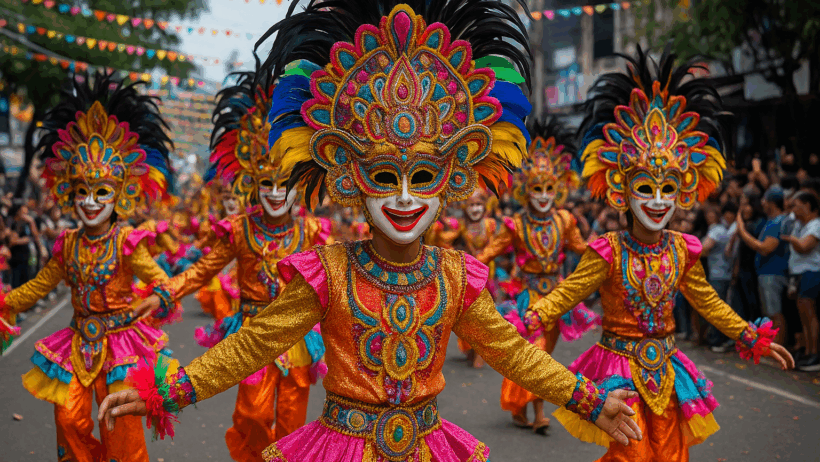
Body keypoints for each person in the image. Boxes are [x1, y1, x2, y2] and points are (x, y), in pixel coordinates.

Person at [97, 3, 644, 461]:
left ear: (451, 177)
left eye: (422, 176)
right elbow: (252, 344)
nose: (404, 197)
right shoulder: (329, 270)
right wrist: (162, 392)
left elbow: (512, 353)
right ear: (350, 175)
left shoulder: (454, 276)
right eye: (386, 176)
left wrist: (590, 399)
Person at [532, 47, 794, 462]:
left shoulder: (681, 249)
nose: (657, 201)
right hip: (619, 374)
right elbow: (566, 295)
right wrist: (521, 322)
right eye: (645, 188)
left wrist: (749, 334)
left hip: (667, 372)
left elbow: (706, 301)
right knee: (630, 457)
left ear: (683, 190)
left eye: (667, 188)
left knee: (672, 456)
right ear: (622, 189)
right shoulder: (608, 250)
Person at [143, 68, 331, 461]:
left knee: (292, 421)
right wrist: (165, 293)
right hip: (250, 333)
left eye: (284, 184)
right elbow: (202, 269)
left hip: (297, 336)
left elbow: (341, 275)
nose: (276, 193)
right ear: (253, 185)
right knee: (252, 414)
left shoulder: (313, 230)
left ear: (298, 185)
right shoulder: (240, 230)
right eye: (267, 184)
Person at [0, 72, 178, 462]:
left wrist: (159, 296)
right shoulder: (67, 245)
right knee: (68, 423)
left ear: (120, 194)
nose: (92, 201)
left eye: (102, 192)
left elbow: (162, 280)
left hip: (122, 349)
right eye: (83, 191)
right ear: (70, 193)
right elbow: (41, 285)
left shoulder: (128, 243)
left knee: (122, 435)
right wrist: (6, 302)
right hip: (77, 346)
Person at [477, 116, 601, 433]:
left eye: (548, 188)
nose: (543, 195)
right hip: (529, 300)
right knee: (537, 354)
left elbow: (582, 250)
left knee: (540, 358)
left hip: (557, 301)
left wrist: (608, 254)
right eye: (537, 189)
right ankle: (539, 414)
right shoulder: (515, 225)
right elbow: (490, 252)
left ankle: (519, 404)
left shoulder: (565, 220)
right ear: (525, 191)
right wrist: (466, 268)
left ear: (557, 189)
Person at [735, 186, 790, 345]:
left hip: (773, 272)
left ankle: (779, 346)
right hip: (766, 272)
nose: (763, 203)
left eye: (765, 200)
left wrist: (742, 232)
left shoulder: (777, 222)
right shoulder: (772, 221)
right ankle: (772, 345)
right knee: (770, 312)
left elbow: (765, 248)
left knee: (775, 313)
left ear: (772, 203)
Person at [782, 191, 820, 371]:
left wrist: (792, 240)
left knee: (809, 313)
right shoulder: (798, 224)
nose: (793, 209)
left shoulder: (816, 225)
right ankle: (806, 350)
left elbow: (805, 247)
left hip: (811, 271)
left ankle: (815, 353)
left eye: (796, 205)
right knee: (802, 315)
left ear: (807, 206)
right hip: (797, 273)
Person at [700, 202, 738, 352]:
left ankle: (717, 340)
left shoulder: (717, 231)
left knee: (716, 309)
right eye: (706, 215)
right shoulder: (720, 230)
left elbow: (704, 249)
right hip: (720, 274)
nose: (709, 217)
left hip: (719, 275)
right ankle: (716, 339)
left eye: (711, 214)